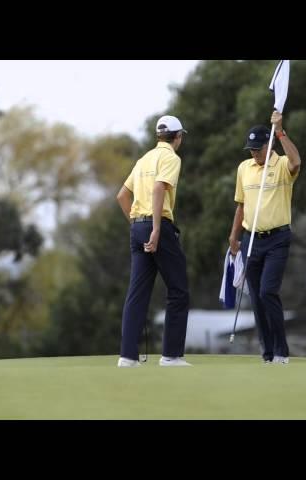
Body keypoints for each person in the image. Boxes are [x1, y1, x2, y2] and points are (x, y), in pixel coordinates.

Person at [115, 115, 191, 367]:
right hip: (159, 226)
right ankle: (171, 356)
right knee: (178, 289)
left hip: (137, 226)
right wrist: (155, 228)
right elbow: (160, 188)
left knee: (137, 293)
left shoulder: (144, 159)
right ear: (177, 137)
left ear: (159, 135)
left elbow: (122, 196)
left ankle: (127, 357)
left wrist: (138, 225)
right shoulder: (171, 157)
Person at [228, 110, 301, 364]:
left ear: (268, 145)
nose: (253, 154)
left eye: (257, 149)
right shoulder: (244, 168)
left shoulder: (281, 164)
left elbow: (296, 161)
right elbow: (240, 205)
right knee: (256, 297)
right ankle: (267, 352)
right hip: (250, 240)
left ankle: (281, 351)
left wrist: (280, 131)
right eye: (251, 150)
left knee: (269, 291)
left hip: (277, 239)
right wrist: (233, 237)